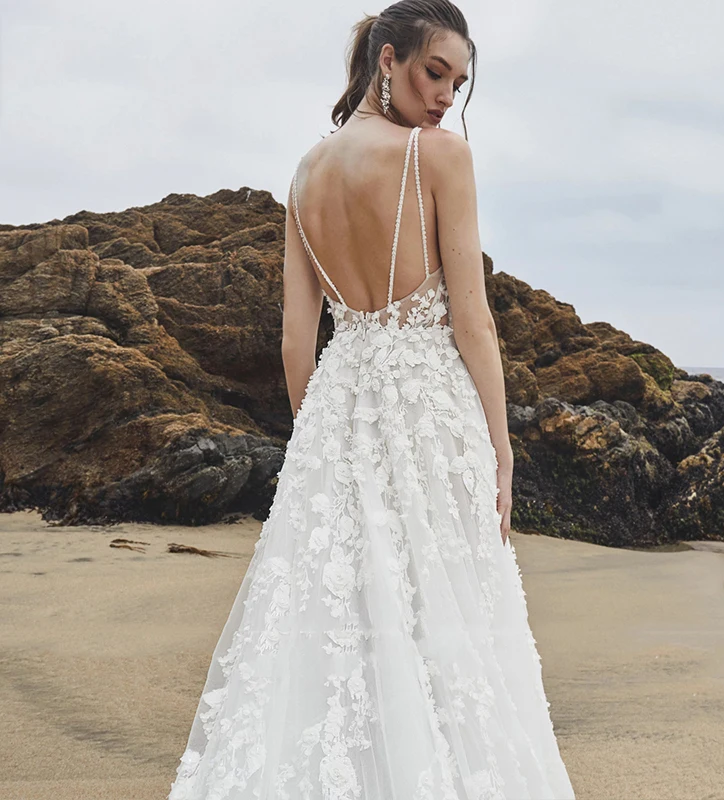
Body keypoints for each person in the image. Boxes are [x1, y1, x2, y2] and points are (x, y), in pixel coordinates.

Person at [168, 1, 575, 797]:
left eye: (457, 82)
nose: (446, 96)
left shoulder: (304, 175)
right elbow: (473, 320)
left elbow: (297, 338)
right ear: (385, 60)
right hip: (431, 413)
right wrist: (503, 446)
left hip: (336, 412)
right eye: (434, 72)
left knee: (339, 619)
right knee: (444, 617)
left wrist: (317, 432)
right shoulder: (439, 157)